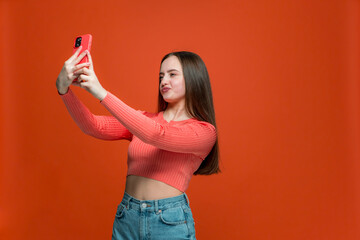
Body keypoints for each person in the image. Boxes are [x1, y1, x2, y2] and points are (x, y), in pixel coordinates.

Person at [56, 47, 220, 240]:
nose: (163, 81)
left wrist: (100, 92)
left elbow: (155, 134)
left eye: (172, 74)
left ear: (194, 79)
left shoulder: (203, 131)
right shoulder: (142, 119)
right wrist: (64, 90)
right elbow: (93, 126)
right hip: (127, 217)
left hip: (168, 223)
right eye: (161, 76)